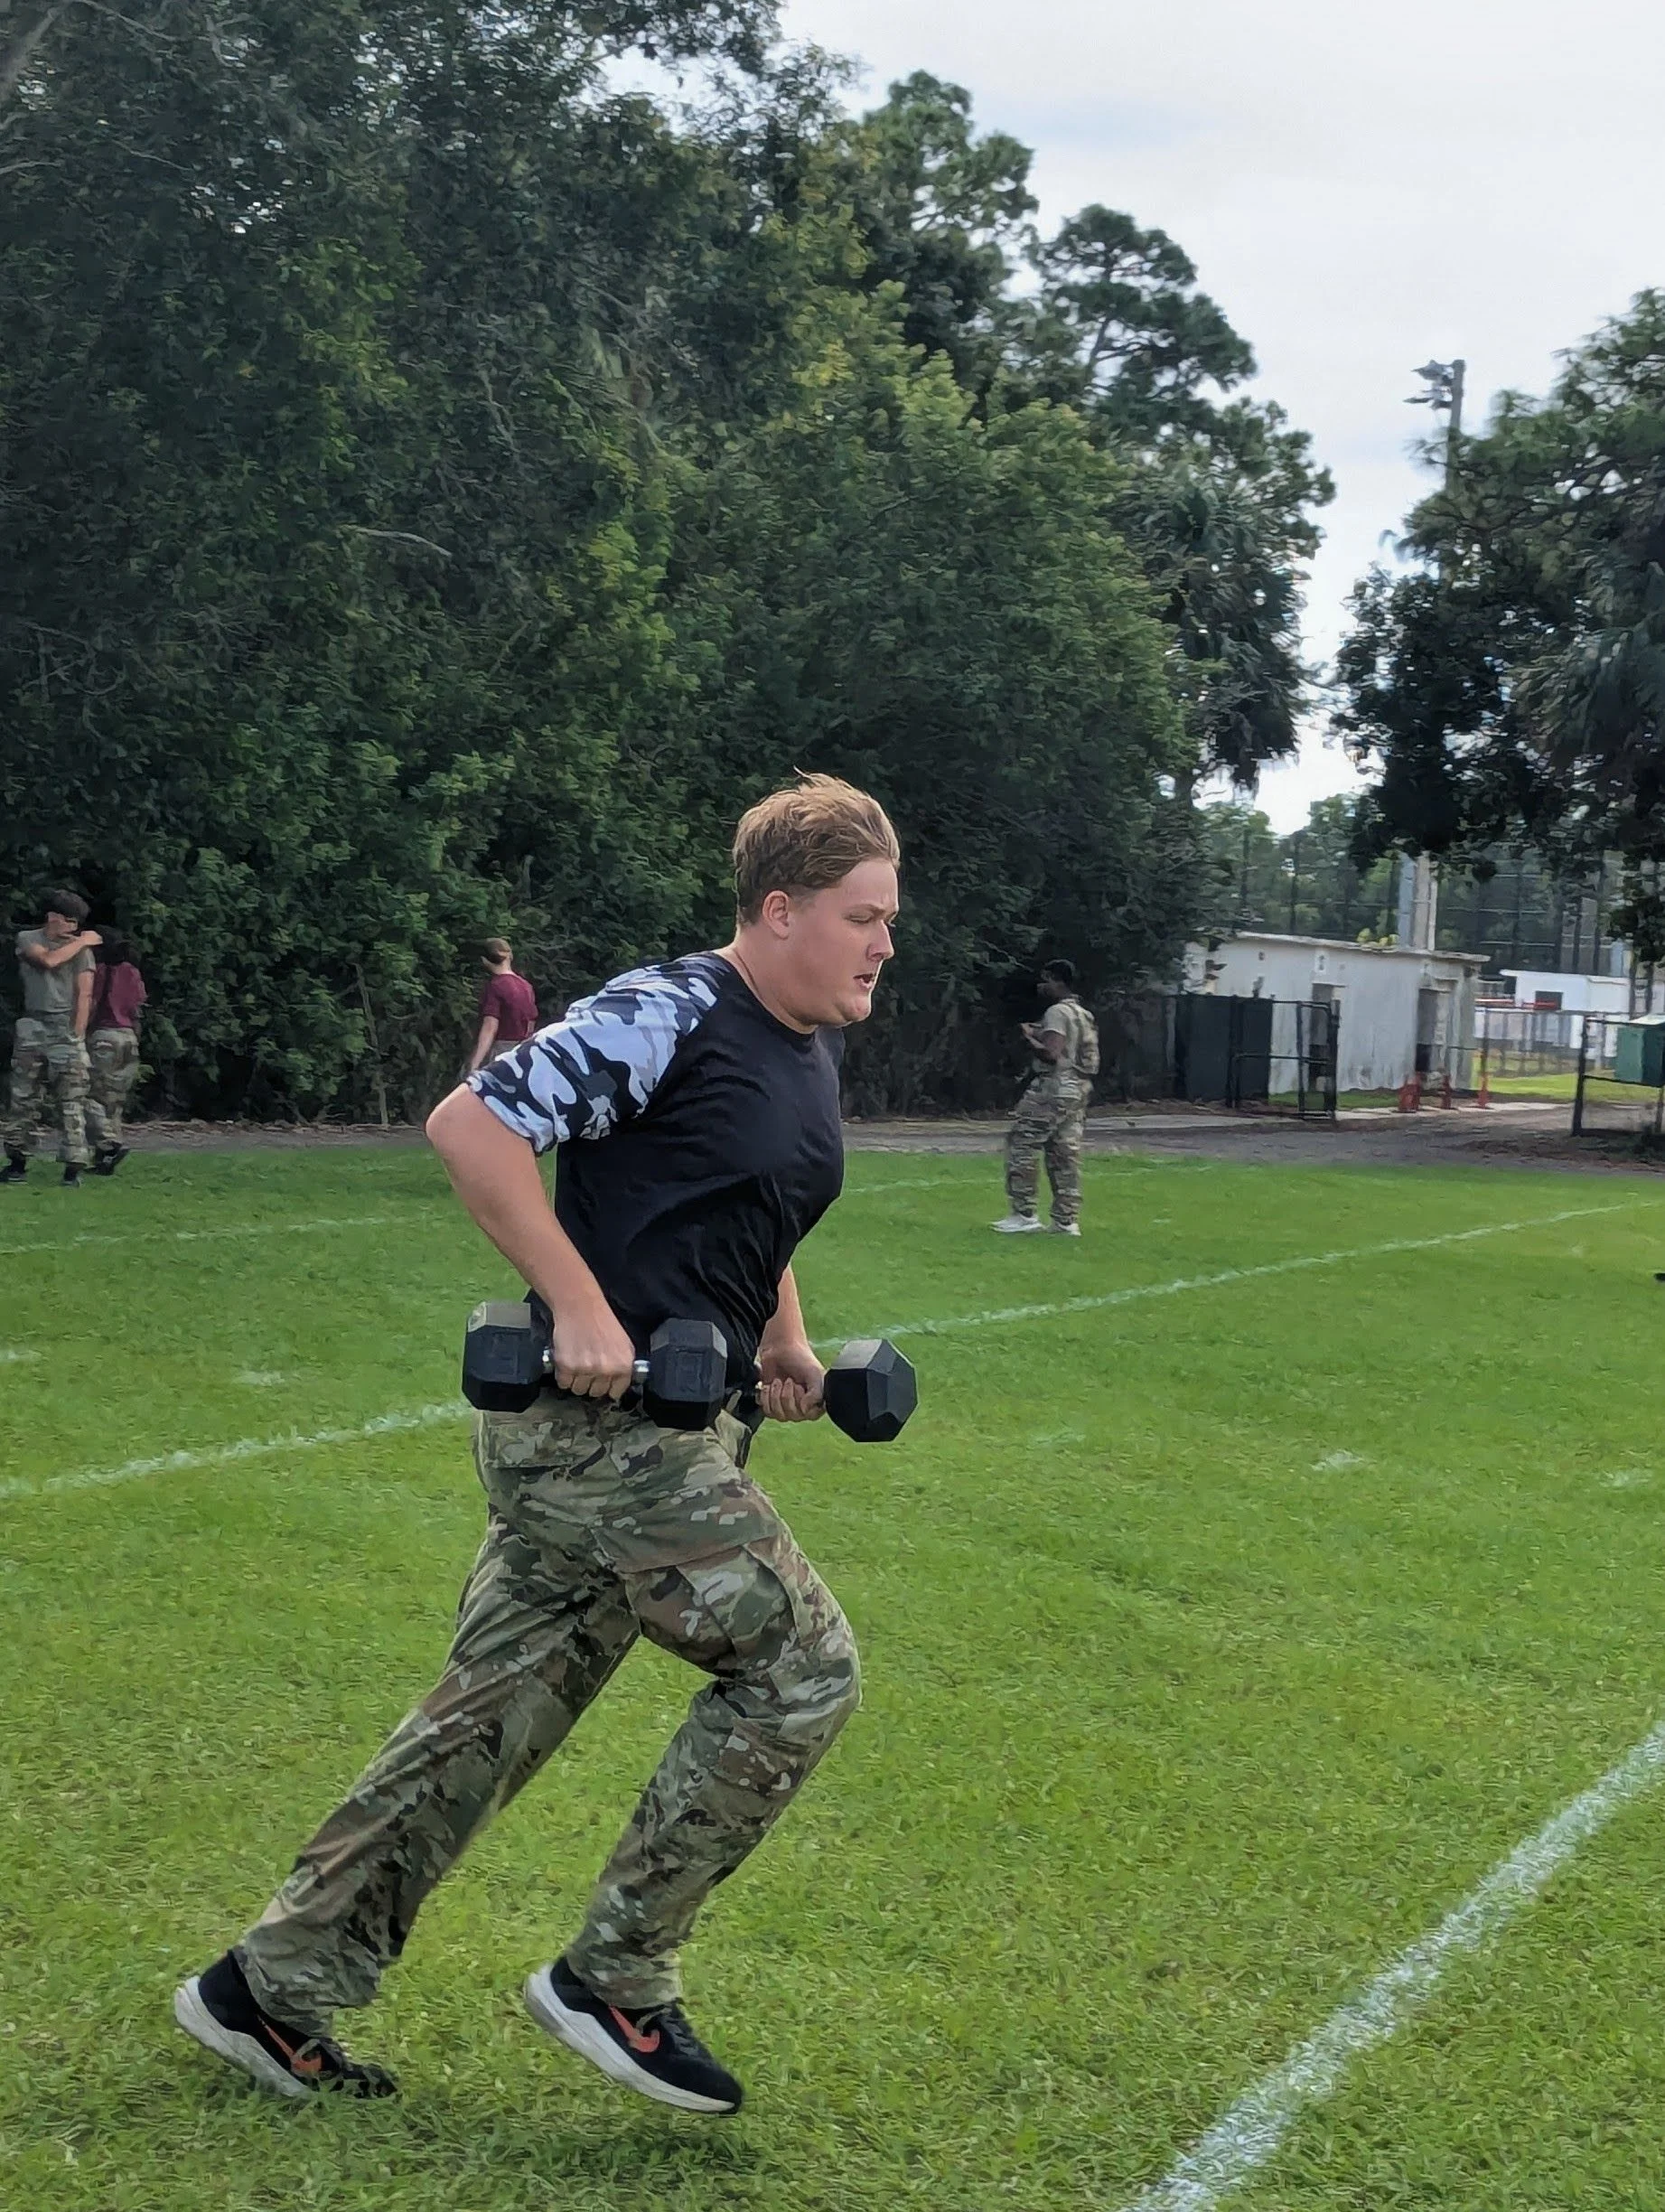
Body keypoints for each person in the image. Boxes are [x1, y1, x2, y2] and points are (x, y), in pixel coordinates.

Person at [174, 773, 901, 2116]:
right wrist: (576, 1300)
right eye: (862, 916)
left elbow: (758, 1210)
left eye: (888, 920)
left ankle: (263, 1991)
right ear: (779, 907)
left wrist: (786, 1341)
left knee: (480, 1724)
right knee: (802, 1670)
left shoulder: (807, 1040)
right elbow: (474, 1122)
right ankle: (615, 1978)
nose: (881, 944)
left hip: (676, 1437)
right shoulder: (668, 1009)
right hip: (597, 1444)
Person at [992, 958, 1099, 1237]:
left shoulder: (1057, 1012)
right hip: (1079, 1087)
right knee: (1065, 1152)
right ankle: (1066, 1220)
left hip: (1054, 1086)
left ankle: (1024, 1213)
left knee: (1023, 1142)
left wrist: (1029, 1036)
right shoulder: (1082, 1014)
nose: (1042, 986)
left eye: (1046, 980)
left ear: (1057, 981)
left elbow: (1051, 1052)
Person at [2, 890, 101, 1187]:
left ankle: (73, 1167)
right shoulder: (28, 940)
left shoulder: (82, 952)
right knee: (23, 1098)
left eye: (77, 924)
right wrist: (84, 941)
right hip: (34, 1024)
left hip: (64, 1028)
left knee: (71, 1100)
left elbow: (85, 993)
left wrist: (78, 1035)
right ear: (53, 918)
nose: (73, 928)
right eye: (68, 921)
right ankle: (17, 1162)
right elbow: (47, 961)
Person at [84, 931, 148, 1175]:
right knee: (114, 1101)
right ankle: (104, 1160)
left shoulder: (99, 972)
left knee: (90, 1096)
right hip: (128, 1036)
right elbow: (137, 1008)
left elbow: (90, 1005)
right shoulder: (132, 972)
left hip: (104, 1036)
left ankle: (109, 1143)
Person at [465, 937, 538, 1073]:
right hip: (524, 1050)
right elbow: (531, 1021)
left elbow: (490, 1026)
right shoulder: (526, 986)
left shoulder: (495, 986)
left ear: (485, 960)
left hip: (502, 1050)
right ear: (509, 957)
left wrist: (475, 1063)